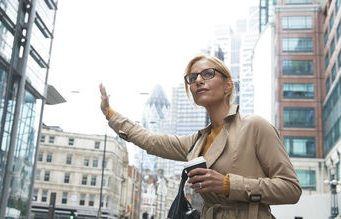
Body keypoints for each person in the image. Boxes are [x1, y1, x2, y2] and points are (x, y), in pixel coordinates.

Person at [99, 54, 301, 219]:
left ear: (228, 85)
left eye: (208, 74)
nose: (198, 80)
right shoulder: (196, 142)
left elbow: (291, 189)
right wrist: (110, 113)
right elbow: (151, 141)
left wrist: (229, 184)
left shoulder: (255, 126)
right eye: (192, 78)